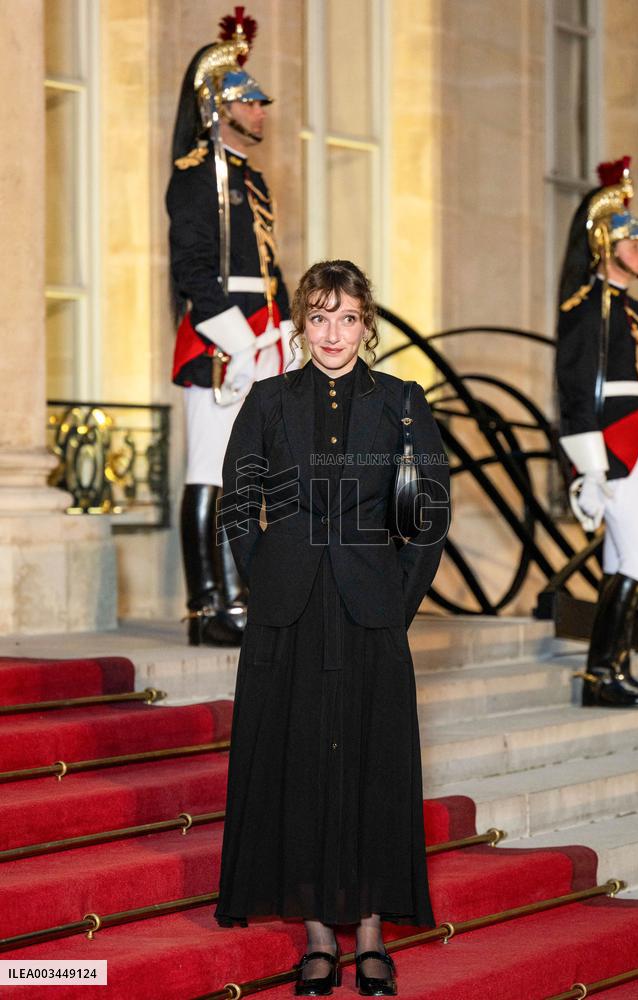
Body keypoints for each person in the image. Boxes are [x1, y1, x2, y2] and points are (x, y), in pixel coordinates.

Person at [214, 260, 450, 996]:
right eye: (318, 317)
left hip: (370, 607)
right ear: (300, 325)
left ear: (367, 325)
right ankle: (318, 934)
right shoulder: (268, 399)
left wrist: (397, 600)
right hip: (290, 610)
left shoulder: (403, 402)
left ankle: (373, 930)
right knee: (300, 765)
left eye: (347, 318)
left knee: (372, 766)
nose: (333, 333)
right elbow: (236, 501)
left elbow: (429, 517)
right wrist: (272, 571)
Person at [167, 7, 302, 647]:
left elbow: (270, 271)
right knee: (209, 471)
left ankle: (245, 596)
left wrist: (287, 338)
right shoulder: (197, 175)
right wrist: (240, 343)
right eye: (250, 101)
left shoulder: (254, 181)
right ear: (220, 105)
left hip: (263, 338)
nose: (261, 111)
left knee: (251, 477)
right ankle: (206, 606)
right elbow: (195, 269)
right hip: (222, 342)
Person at [556, 156, 638, 708]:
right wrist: (588, 467)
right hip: (615, 449)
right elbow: (577, 392)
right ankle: (602, 671)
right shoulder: (587, 310)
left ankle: (610, 673)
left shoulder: (635, 308)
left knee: (625, 561)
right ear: (608, 247)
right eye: (635, 243)